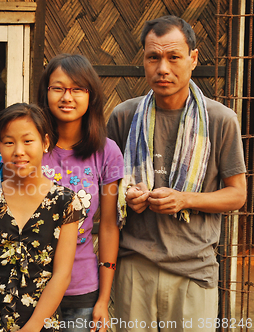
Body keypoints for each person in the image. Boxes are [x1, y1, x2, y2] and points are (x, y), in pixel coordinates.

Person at [106, 16, 246, 332]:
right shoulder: (123, 116)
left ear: (193, 59)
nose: (163, 68)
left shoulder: (220, 120)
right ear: (143, 59)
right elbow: (107, 187)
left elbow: (238, 194)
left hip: (194, 270)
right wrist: (125, 196)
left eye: (174, 57)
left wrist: (184, 199)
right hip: (135, 267)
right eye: (153, 57)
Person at [0, 103, 85, 332]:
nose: (18, 150)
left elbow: (62, 274)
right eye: (9, 142)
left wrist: (33, 327)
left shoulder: (65, 202)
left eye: (28, 141)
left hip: (42, 324)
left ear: (46, 142)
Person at [37, 54, 123, 332]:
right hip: (32, 285)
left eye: (77, 89)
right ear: (45, 92)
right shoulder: (29, 146)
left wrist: (103, 299)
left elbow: (109, 226)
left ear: (91, 96)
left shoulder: (107, 152)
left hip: (82, 289)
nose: (67, 97)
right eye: (58, 88)